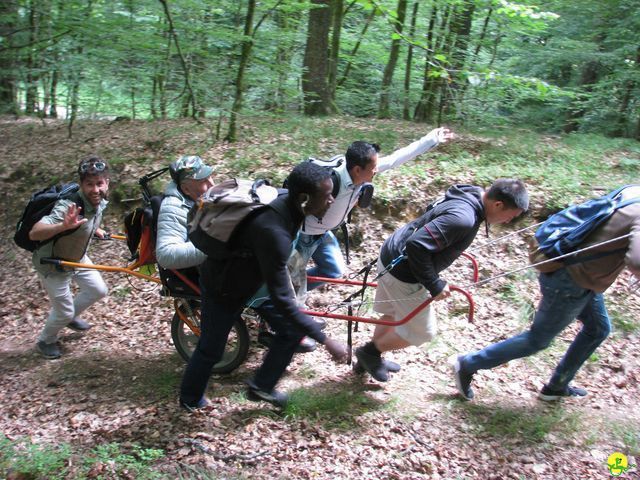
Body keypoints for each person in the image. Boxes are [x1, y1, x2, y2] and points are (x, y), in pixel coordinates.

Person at [258, 127, 455, 350]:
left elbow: (398, 158)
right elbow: (297, 206)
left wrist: (432, 139)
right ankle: (287, 328)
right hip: (302, 233)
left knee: (332, 270)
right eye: (372, 168)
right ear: (358, 169)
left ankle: (287, 301)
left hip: (323, 233)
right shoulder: (329, 181)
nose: (376, 171)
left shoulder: (361, 174)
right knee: (293, 283)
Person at [179, 162, 349, 411]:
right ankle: (189, 400)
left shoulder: (288, 205)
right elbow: (284, 300)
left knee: (290, 332)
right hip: (223, 287)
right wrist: (326, 340)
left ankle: (261, 387)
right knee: (211, 350)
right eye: (327, 196)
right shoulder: (273, 231)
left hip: (254, 280)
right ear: (303, 198)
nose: (332, 200)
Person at [452, 185, 640, 402]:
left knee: (598, 329)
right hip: (572, 279)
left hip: (575, 271)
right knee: (537, 340)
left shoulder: (633, 191)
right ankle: (468, 364)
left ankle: (557, 386)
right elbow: (636, 261)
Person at [355, 179, 529, 382]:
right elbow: (417, 245)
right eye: (511, 216)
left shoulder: (471, 193)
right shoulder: (463, 218)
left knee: (392, 312)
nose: (508, 221)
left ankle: (369, 359)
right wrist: (434, 284)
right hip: (403, 272)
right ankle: (369, 352)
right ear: (498, 204)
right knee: (423, 332)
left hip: (391, 252)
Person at [29, 156, 111, 359]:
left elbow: (88, 218)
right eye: (89, 184)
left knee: (98, 290)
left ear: (107, 182)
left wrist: (96, 229)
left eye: (99, 183)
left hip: (77, 257)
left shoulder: (98, 200)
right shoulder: (68, 206)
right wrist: (62, 226)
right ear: (81, 184)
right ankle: (45, 340)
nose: (95, 189)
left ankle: (68, 316)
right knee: (63, 312)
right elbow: (34, 233)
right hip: (53, 264)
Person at [155, 155, 214, 270]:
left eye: (210, 176)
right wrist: (214, 245)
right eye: (203, 181)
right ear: (186, 189)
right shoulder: (173, 207)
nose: (212, 184)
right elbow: (165, 255)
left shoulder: (205, 195)